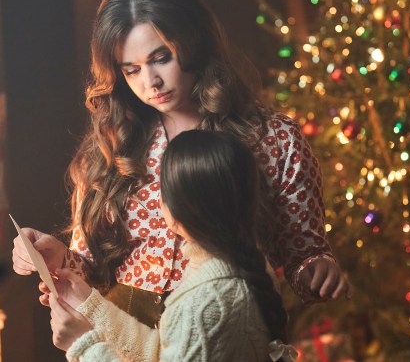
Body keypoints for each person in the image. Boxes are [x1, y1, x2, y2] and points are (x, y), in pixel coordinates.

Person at [12, 0, 351, 329]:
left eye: (161, 58)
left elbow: (304, 256)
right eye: (132, 70)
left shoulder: (274, 140)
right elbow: (95, 271)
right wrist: (58, 257)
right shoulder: (113, 147)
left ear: (193, 43)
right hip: (127, 336)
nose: (150, 82)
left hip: (227, 334)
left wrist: (317, 270)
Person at [47, 130, 298, 361]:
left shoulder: (207, 298)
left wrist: (84, 344)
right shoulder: (239, 265)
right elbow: (165, 351)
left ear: (173, 212)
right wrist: (90, 304)